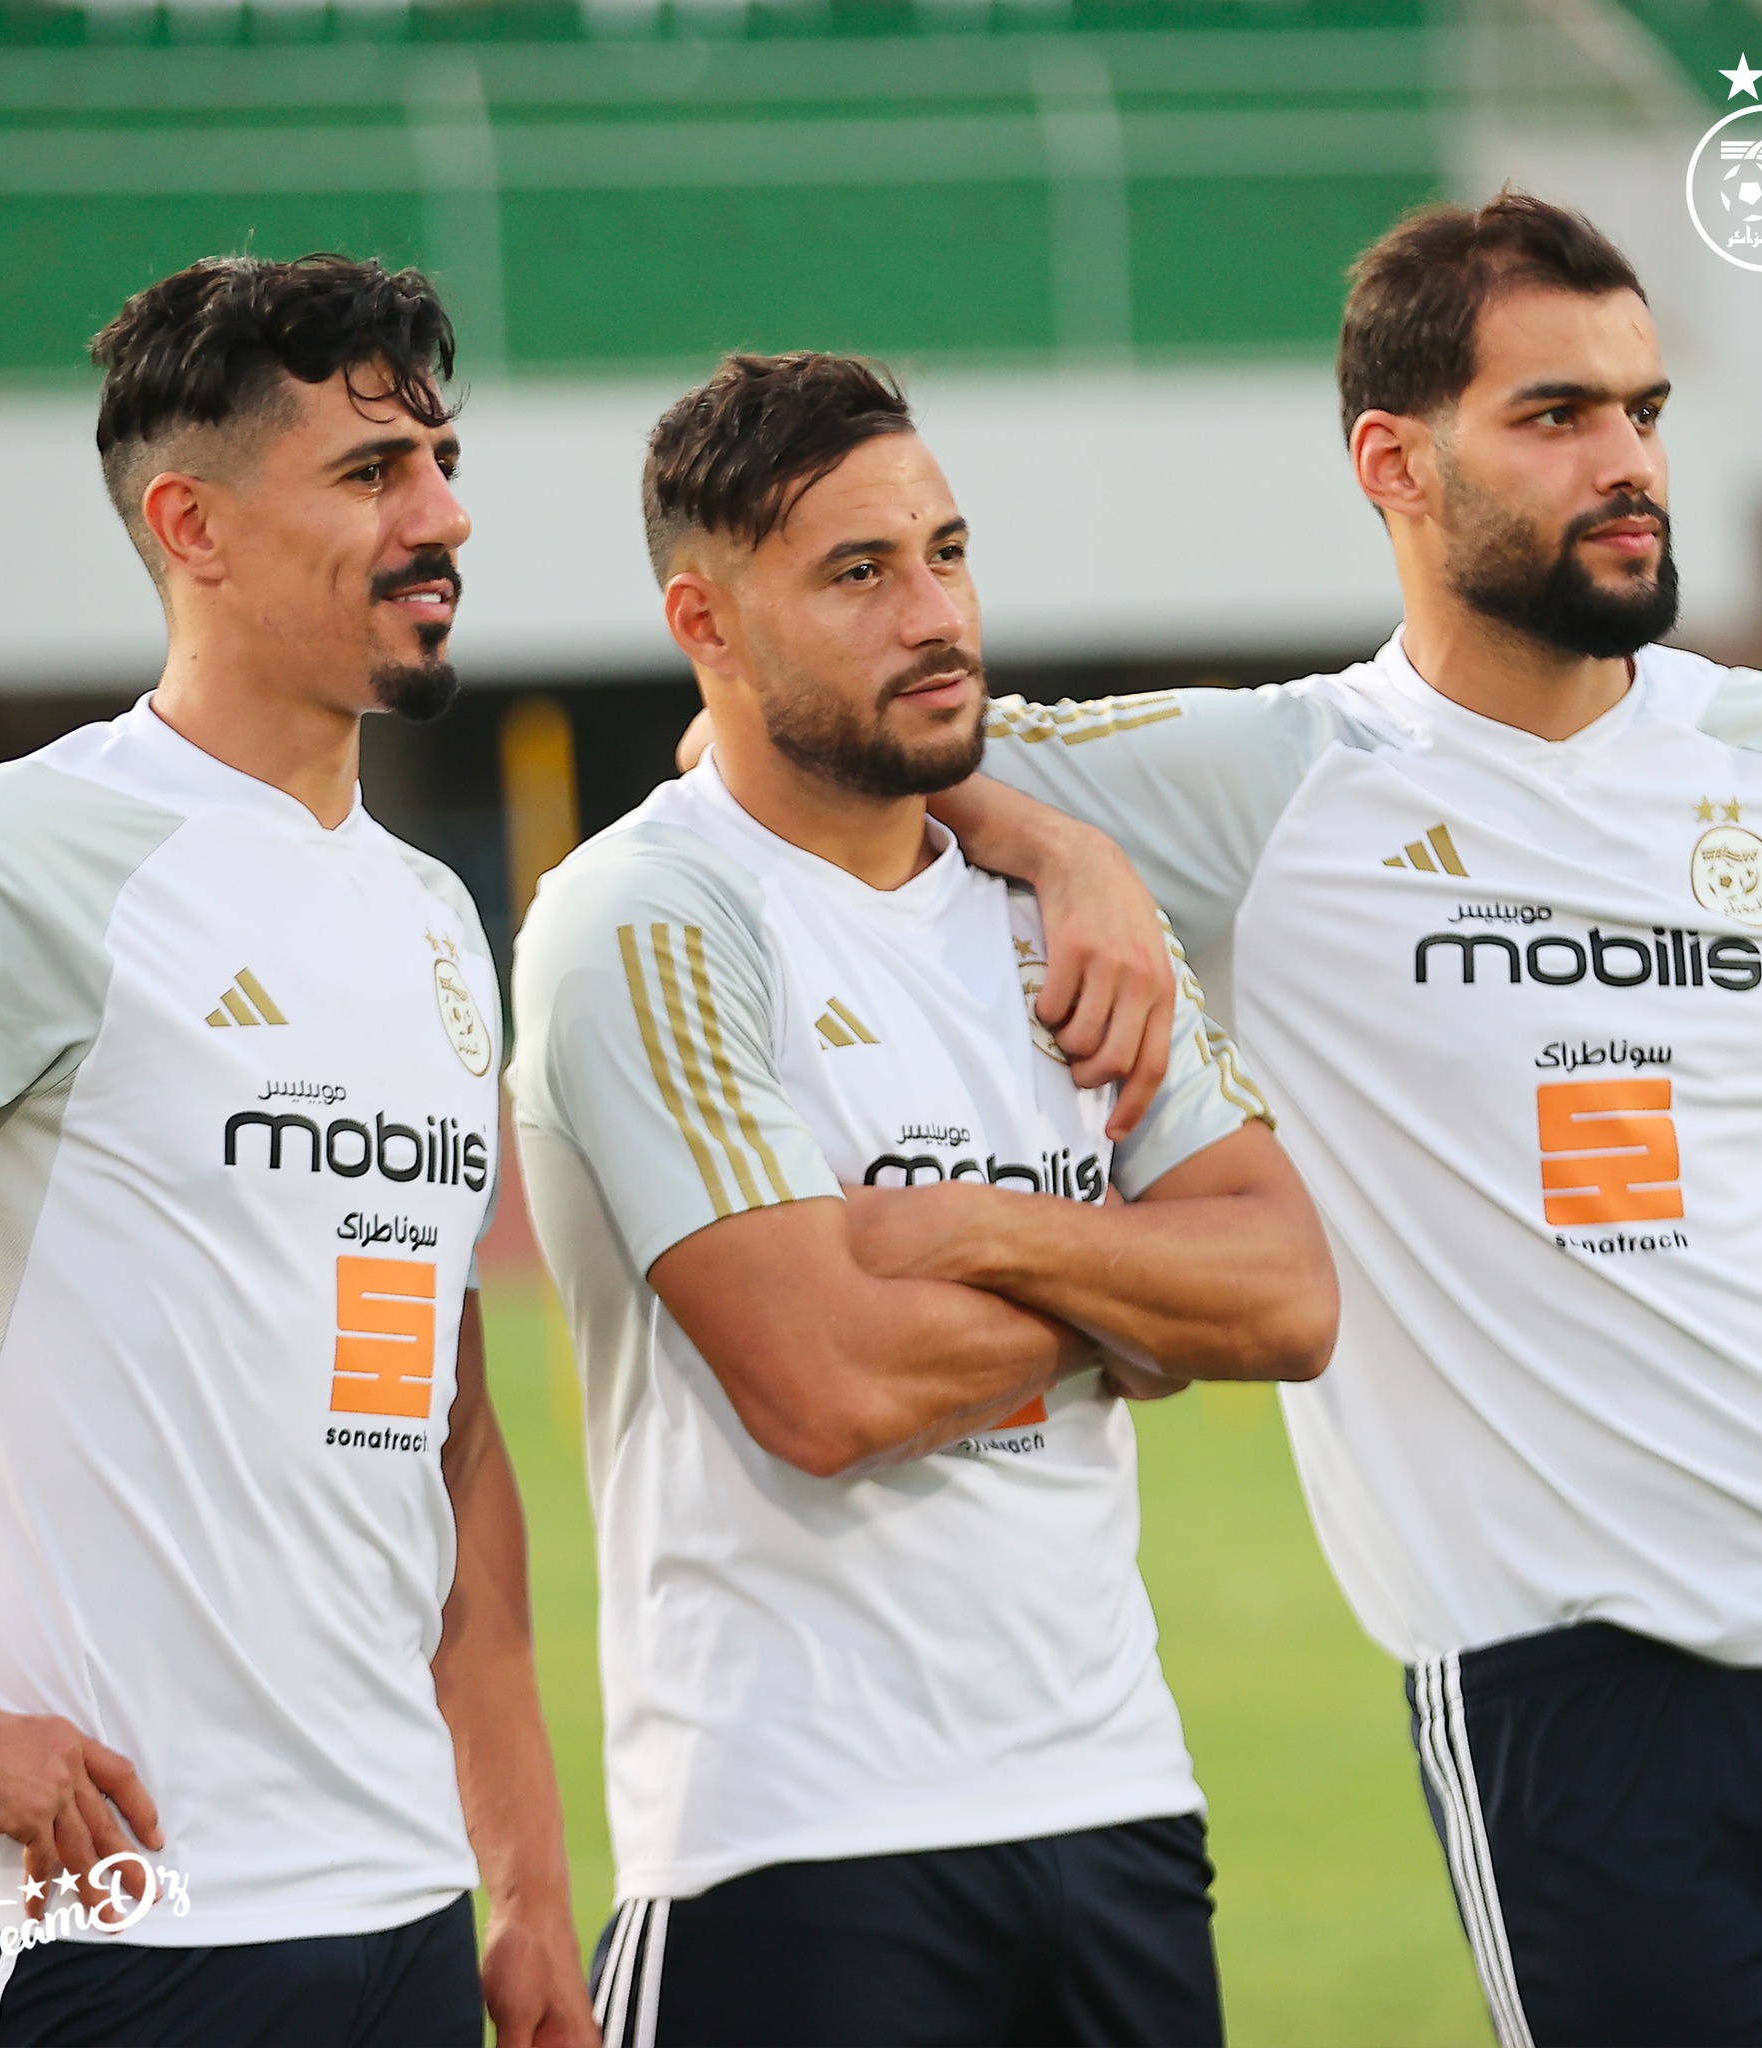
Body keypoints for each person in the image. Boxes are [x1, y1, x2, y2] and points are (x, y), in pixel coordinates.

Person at [910, 193, 1762, 2048]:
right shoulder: (1273, 782)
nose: (1629, 463)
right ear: (1393, 461)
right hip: (1576, 1706)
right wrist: (1060, 839)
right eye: (1557, 415)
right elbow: (779, 755)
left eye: (1644, 409)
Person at [508, 352, 1336, 2048]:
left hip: (1119, 1811)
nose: (936, 613)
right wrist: (1136, 1306)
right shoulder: (645, 915)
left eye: (948, 552)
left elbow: (1288, 1295)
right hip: (794, 1842)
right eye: (860, 572)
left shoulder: (1071, 919)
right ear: (706, 621)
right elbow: (829, 1386)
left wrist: (971, 1232)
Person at [0, 256, 596, 2048]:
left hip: (399, 1919)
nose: (443, 517)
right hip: (96, 1931)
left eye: (441, 460)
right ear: (190, 525)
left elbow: (446, 1432)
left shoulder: (435, 919)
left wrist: (523, 1883)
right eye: (372, 473)